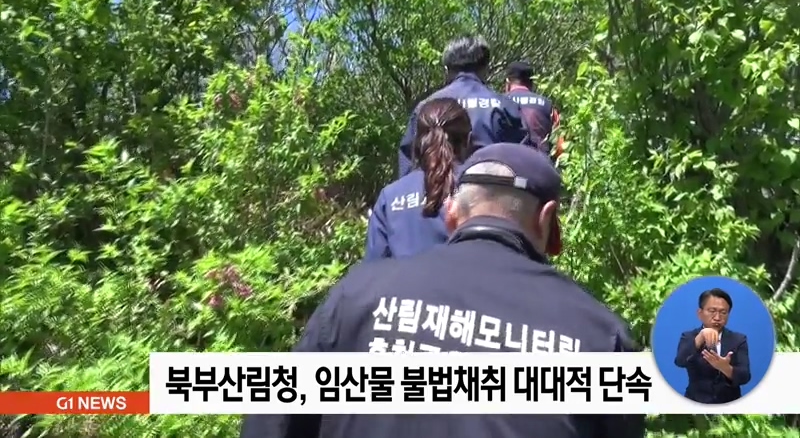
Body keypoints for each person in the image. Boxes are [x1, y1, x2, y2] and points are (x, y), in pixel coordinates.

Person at [240, 143, 646, 438]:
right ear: (547, 219)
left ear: (452, 213)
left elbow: (273, 420)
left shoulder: (358, 295)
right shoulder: (599, 337)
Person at [397, 36, 530, 178]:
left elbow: (408, 166)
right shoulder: (505, 106)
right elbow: (524, 162)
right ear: (485, 67)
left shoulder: (425, 107)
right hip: (492, 189)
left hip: (432, 188)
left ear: (446, 69)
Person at [366, 97, 472, 260]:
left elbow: (374, 265)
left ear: (418, 142)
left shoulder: (390, 196)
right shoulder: (480, 188)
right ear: (469, 140)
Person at [674, 288, 751, 404]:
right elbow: (680, 361)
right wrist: (700, 338)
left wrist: (725, 368)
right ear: (700, 313)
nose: (717, 317)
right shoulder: (689, 337)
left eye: (723, 312)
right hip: (696, 403)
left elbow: (745, 376)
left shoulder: (738, 339)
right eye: (712, 311)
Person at [504, 61, 563, 160]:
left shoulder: (497, 103)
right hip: (539, 164)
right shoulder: (547, 105)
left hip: (506, 164)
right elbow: (560, 148)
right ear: (532, 83)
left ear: (508, 82)